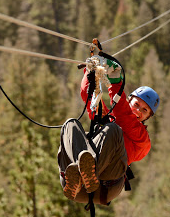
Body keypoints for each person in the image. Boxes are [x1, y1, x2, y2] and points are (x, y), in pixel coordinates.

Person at [57, 56, 160, 206]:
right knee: (70, 125)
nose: (138, 111)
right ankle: (77, 175)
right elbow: (89, 96)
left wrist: (115, 81)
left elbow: (123, 115)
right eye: (136, 104)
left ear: (147, 117)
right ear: (129, 101)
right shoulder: (109, 119)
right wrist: (89, 73)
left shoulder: (143, 141)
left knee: (113, 130)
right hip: (76, 188)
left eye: (144, 110)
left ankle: (85, 173)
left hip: (105, 186)